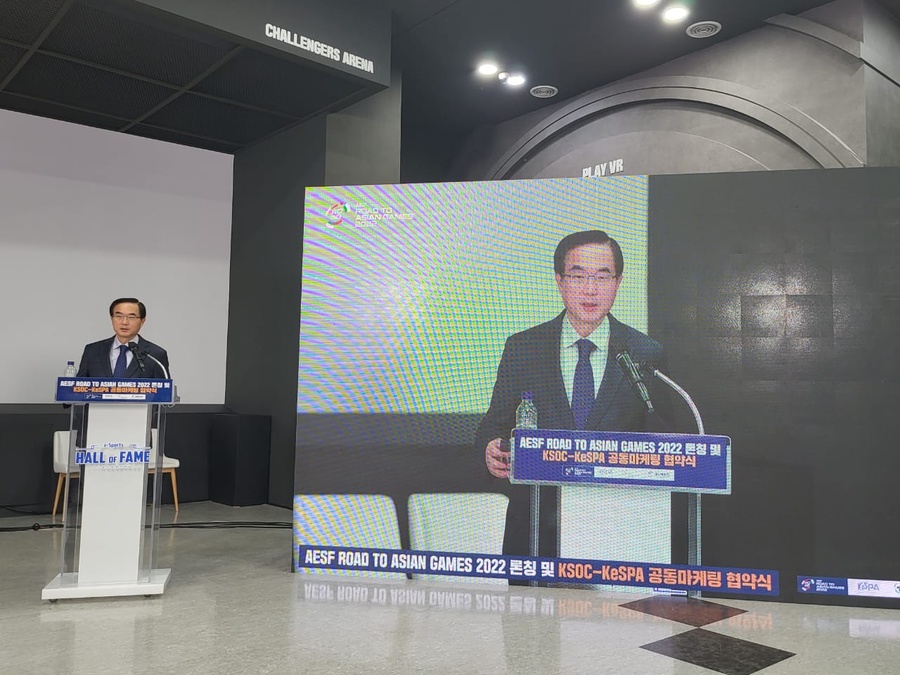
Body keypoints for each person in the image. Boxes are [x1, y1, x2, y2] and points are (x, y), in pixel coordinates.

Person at [475, 230, 667, 555]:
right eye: (578, 276)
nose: (590, 290)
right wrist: (490, 449)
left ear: (618, 283)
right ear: (560, 281)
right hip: (537, 529)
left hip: (617, 528)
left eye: (602, 277)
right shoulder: (524, 347)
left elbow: (663, 440)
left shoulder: (645, 352)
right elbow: (493, 426)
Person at [77, 298, 170, 379]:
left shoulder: (155, 355)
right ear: (111, 318)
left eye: (131, 317)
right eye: (119, 316)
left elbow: (164, 391)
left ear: (142, 321)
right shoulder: (92, 351)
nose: (124, 322)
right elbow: (78, 388)